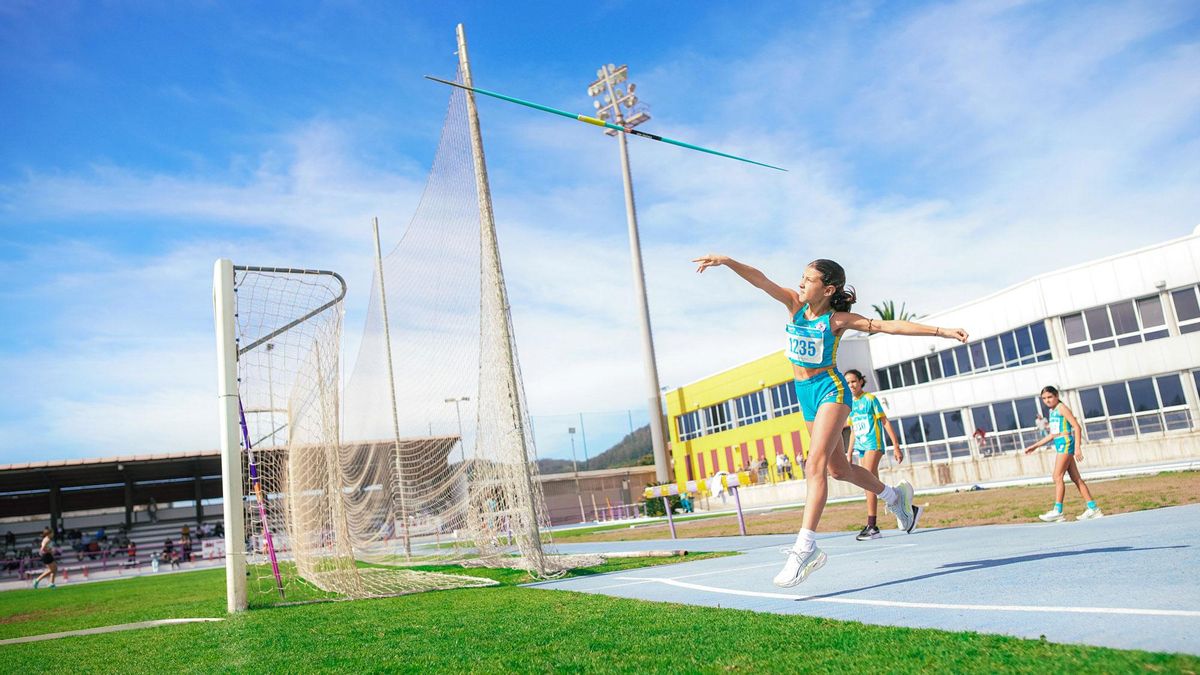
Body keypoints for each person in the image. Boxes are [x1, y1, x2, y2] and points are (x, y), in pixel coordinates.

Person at [693, 254, 968, 587]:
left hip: (831, 390)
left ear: (828, 289)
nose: (800, 283)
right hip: (804, 392)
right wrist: (726, 261)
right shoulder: (793, 304)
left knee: (815, 466)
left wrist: (941, 331)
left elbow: (885, 326)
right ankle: (897, 499)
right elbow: (760, 279)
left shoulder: (838, 320)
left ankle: (805, 547)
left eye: (808, 279)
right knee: (838, 469)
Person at [1023, 386, 1103, 521]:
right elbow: (1053, 435)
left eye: (1049, 397)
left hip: (1066, 443)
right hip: (1060, 443)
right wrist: (1035, 446)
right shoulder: (1052, 411)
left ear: (1056, 396)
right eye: (1044, 398)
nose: (1047, 400)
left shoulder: (1061, 408)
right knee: (1076, 478)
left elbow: (1077, 427)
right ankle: (1093, 508)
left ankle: (1058, 511)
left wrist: (1077, 448)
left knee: (1057, 476)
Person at [844, 369, 904, 541]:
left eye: (853, 381)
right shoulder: (850, 405)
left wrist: (896, 446)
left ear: (861, 381)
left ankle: (872, 525)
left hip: (873, 444)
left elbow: (884, 421)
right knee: (870, 483)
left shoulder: (870, 399)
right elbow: (854, 430)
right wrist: (849, 453)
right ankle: (902, 503)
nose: (851, 385)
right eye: (847, 383)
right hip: (861, 448)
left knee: (867, 481)